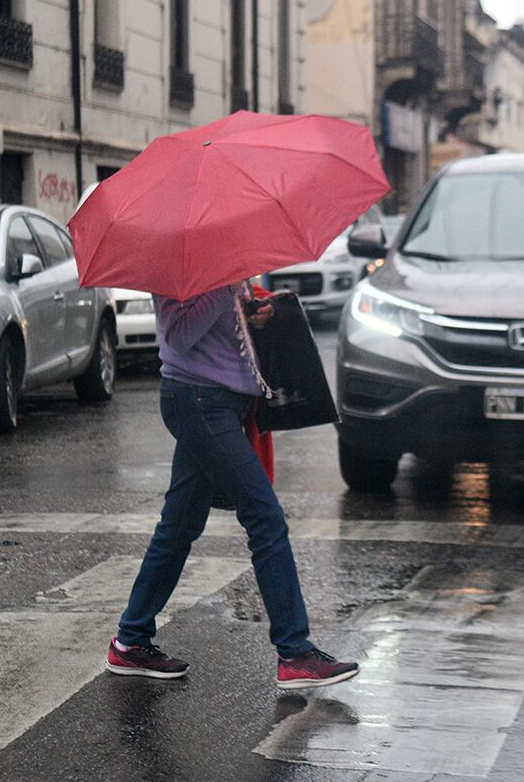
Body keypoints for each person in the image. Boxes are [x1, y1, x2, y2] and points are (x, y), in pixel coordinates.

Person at [105, 281, 360, 688]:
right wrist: (221, 291)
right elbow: (178, 335)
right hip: (199, 401)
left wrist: (255, 309)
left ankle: (131, 642)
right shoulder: (182, 262)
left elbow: (228, 323)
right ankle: (294, 652)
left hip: (219, 403)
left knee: (179, 526)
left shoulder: (223, 262)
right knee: (264, 515)